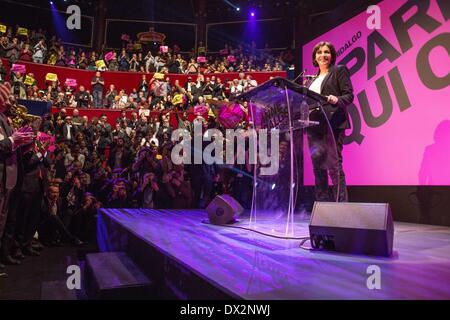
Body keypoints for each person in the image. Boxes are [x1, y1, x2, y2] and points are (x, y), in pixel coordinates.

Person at [306, 41, 354, 202]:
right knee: (318, 168)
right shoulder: (311, 79)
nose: (323, 55)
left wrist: (337, 99)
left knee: (334, 165)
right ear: (315, 57)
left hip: (332, 122)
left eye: (326, 52)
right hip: (314, 127)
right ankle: (322, 206)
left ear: (332, 55)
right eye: (319, 52)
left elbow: (349, 96)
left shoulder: (338, 71)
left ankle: (341, 207)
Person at [0, 83, 34, 270]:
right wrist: (15, 139)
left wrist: (22, 141)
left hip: (10, 178)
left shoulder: (5, 119)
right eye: (7, 99)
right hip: (3, 177)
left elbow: (10, 146)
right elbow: (3, 145)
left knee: (6, 220)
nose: (9, 103)